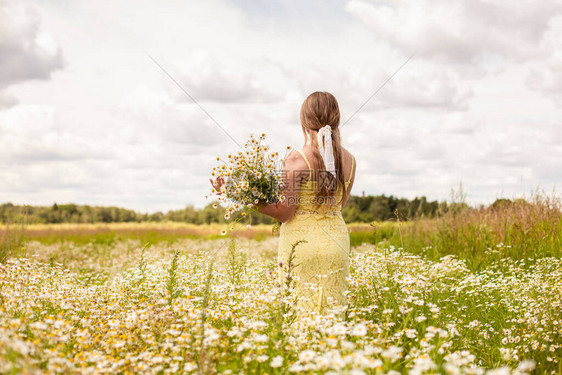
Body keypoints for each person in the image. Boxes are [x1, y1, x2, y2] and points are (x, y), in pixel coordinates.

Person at [257, 91, 356, 318]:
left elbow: (284, 213)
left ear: (304, 121)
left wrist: (251, 202)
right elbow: (338, 206)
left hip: (301, 246)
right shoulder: (351, 160)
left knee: (300, 316)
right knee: (333, 314)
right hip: (337, 243)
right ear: (337, 119)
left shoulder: (296, 160)